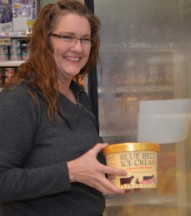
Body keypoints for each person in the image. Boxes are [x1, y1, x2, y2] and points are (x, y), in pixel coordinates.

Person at [0, 0, 127, 215]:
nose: (78, 48)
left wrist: (120, 174)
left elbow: (85, 167)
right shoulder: (20, 99)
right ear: (45, 41)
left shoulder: (79, 96)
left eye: (85, 39)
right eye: (67, 37)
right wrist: (70, 173)